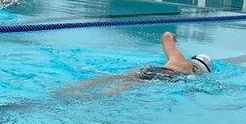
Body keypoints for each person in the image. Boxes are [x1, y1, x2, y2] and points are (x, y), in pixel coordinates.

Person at [63, 32, 212, 97]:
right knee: (119, 90)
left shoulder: (178, 58)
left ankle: (69, 90)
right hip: (166, 77)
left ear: (194, 58)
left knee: (111, 77)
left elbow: (166, 36)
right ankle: (89, 99)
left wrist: (174, 37)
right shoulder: (195, 74)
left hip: (154, 69)